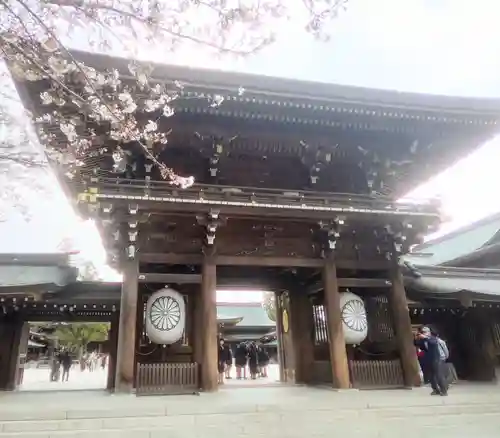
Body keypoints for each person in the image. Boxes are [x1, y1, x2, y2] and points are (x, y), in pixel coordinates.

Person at [415, 327, 448, 396]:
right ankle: (436, 390)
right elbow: (417, 344)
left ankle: (444, 390)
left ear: (429, 332)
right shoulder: (424, 340)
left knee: (439, 375)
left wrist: (425, 337)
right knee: (431, 376)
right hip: (429, 360)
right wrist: (416, 337)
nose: (424, 334)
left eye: (425, 332)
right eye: (423, 332)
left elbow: (432, 342)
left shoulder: (433, 338)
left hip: (436, 359)